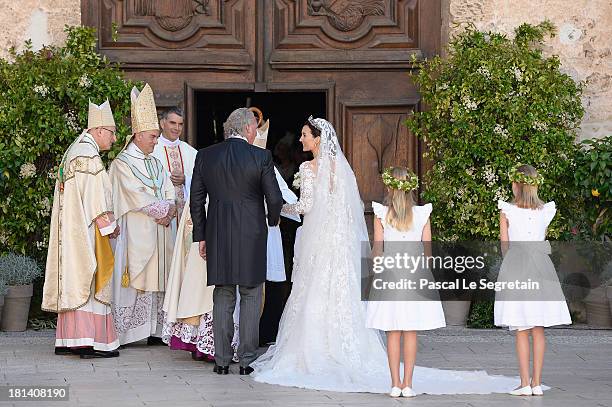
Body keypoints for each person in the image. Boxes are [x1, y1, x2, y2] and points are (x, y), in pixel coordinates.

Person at [251, 117, 518, 395]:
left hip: (318, 241)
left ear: (317, 139)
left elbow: (305, 205)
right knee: (340, 293)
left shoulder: (308, 168)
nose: (301, 140)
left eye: (305, 135)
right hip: (336, 242)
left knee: (315, 292)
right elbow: (346, 209)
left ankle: (317, 351)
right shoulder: (340, 169)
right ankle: (365, 359)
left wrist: (279, 207)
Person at [190, 107, 283, 375]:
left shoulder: (206, 156)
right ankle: (247, 361)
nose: (256, 133)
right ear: (247, 129)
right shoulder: (261, 156)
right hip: (252, 235)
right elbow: (274, 199)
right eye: (255, 128)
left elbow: (196, 200)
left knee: (223, 293)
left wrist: (201, 236)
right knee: (251, 295)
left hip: (218, 234)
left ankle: (221, 361)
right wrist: (273, 221)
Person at [42, 100, 120, 358]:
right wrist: (110, 228)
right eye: (111, 131)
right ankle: (90, 341)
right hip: (86, 233)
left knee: (75, 281)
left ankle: (68, 339)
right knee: (90, 281)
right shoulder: (89, 157)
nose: (114, 137)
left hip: (71, 231)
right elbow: (96, 201)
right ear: (98, 130)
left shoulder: (73, 151)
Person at [365, 167, 447, 397]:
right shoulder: (422, 214)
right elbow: (428, 253)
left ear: (390, 187)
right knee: (411, 329)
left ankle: (394, 384)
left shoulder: (382, 214)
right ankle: (408, 384)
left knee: (393, 330)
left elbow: (378, 251)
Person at [109, 84, 176, 346]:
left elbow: (169, 189)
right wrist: (161, 211)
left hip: (159, 232)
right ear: (137, 135)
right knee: (137, 279)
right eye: (152, 137)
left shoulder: (157, 162)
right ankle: (129, 331)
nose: (156, 141)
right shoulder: (122, 164)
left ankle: (156, 330)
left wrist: (170, 210)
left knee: (159, 278)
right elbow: (134, 195)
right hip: (136, 233)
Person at [496, 164, 571, 396]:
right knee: (538, 328)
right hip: (541, 268)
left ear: (516, 184)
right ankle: (537, 383)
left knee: (521, 327)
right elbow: (540, 239)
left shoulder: (506, 210)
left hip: (517, 266)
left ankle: (524, 382)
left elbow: (504, 245)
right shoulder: (546, 210)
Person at [151, 107, 197, 224]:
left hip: (186, 216)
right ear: (162, 123)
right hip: (161, 217)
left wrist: (186, 179)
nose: (177, 128)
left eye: (180, 124)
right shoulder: (152, 150)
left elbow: (203, 180)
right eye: (173, 123)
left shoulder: (190, 152)